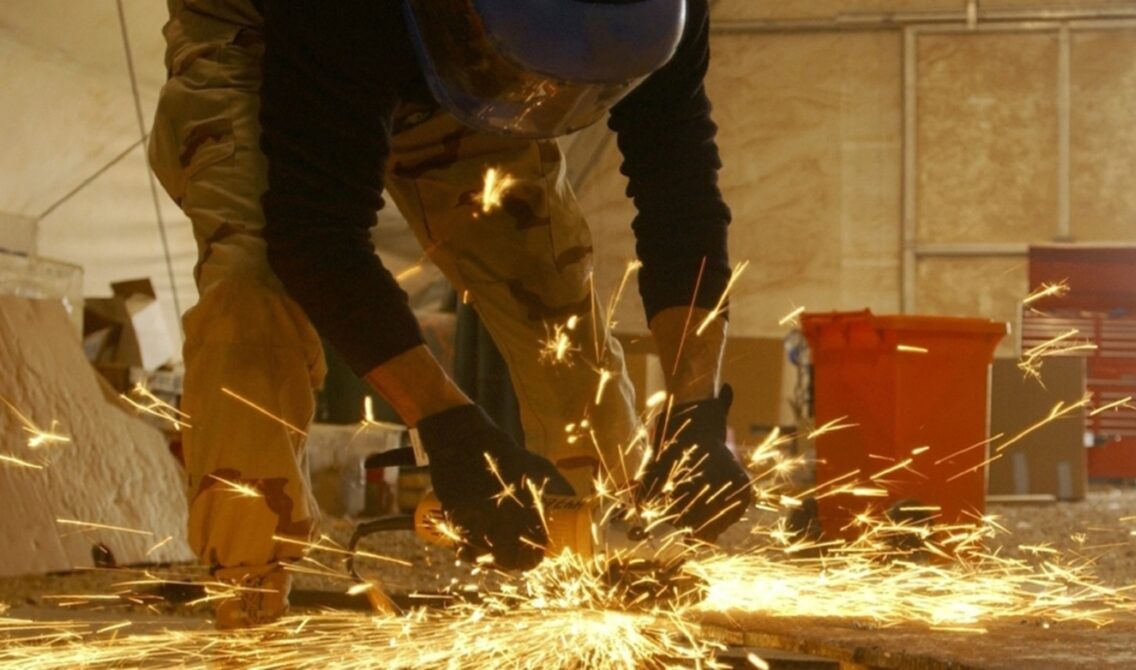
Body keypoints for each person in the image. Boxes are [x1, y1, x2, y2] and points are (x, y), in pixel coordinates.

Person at [149, 0, 751, 629]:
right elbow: (315, 235)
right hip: (265, 36)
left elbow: (679, 192)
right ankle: (248, 597)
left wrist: (696, 409)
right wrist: (449, 429)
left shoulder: (663, 15)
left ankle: (609, 550)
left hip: (476, 57)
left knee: (547, 286)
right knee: (252, 292)